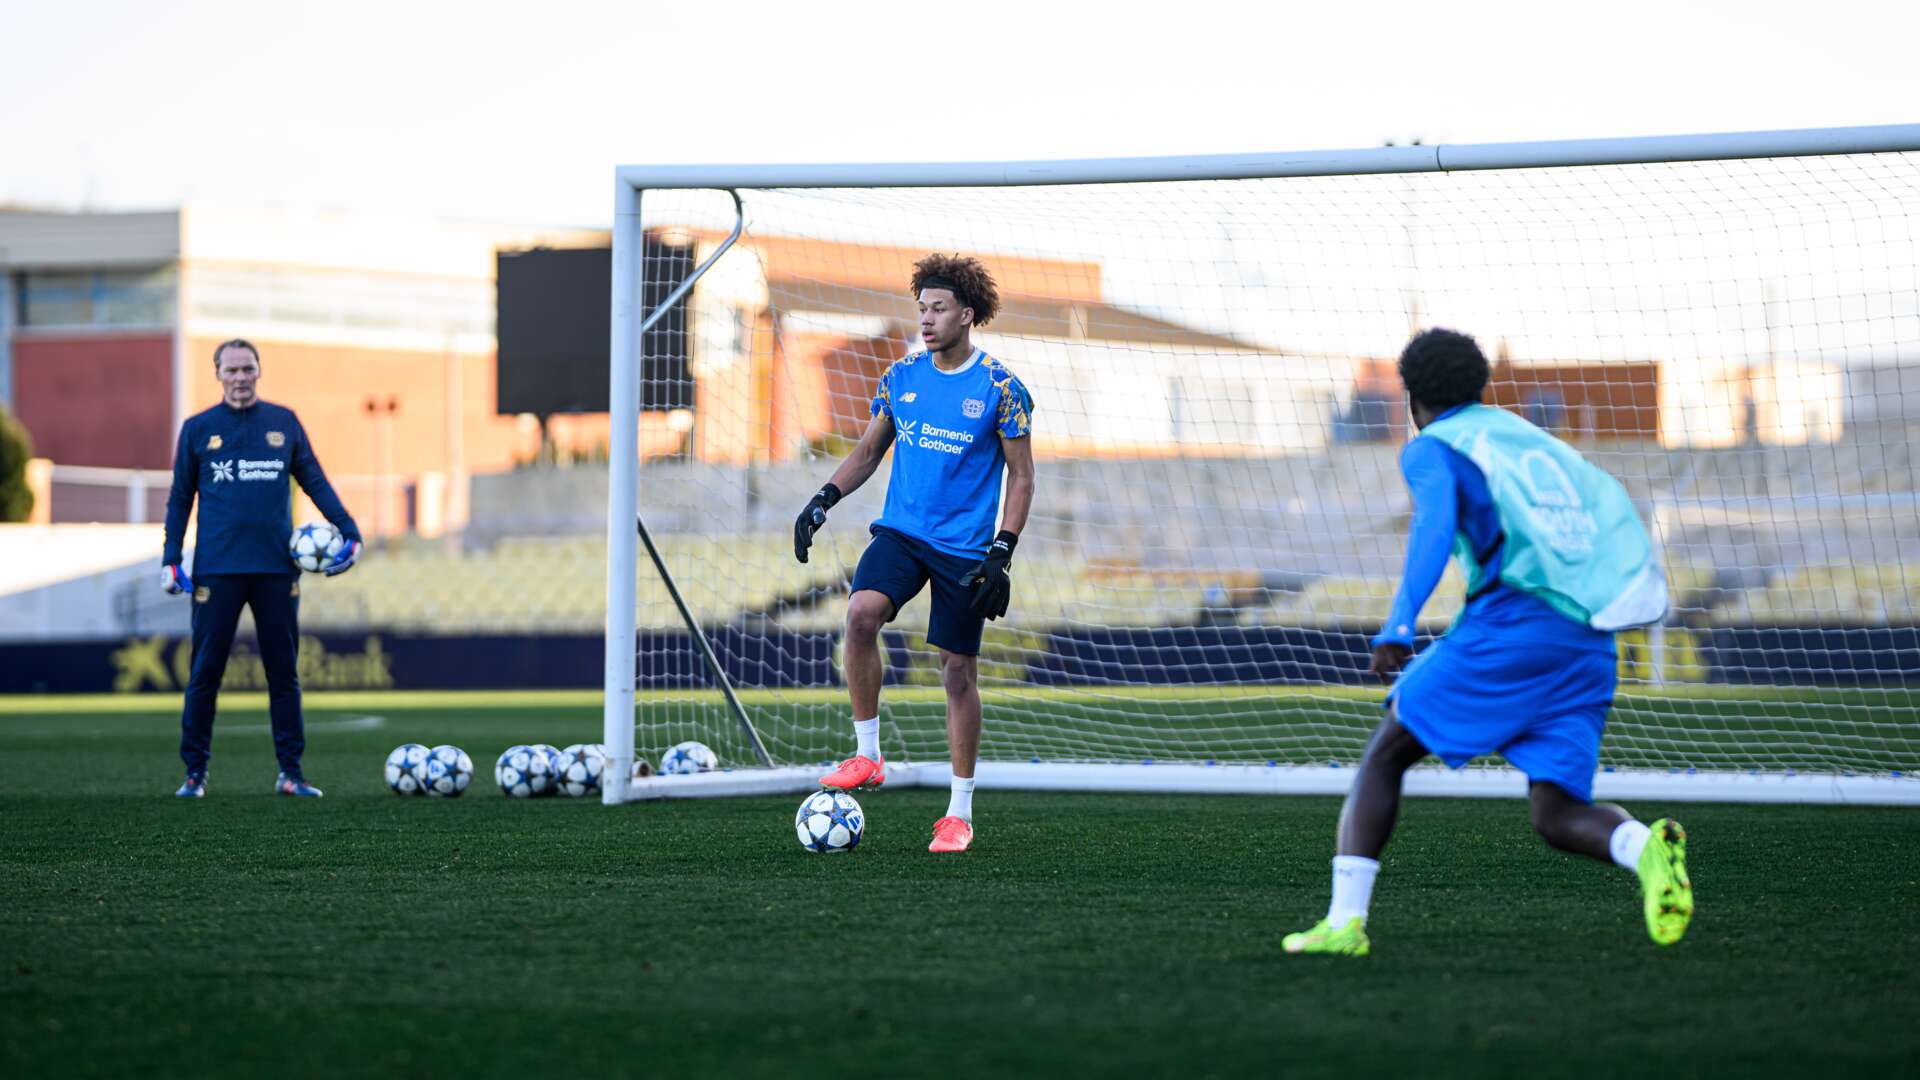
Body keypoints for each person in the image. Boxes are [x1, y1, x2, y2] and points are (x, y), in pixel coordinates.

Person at [1283, 327, 1691, 956]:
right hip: (1587, 639)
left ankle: (1343, 924)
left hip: (1513, 627)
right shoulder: (1531, 439)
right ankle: (1645, 849)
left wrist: (1398, 624)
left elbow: (1435, 526)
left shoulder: (1436, 445)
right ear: (1481, 386)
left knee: (1387, 752)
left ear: (1413, 396)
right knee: (1556, 814)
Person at [793, 253, 1035, 853]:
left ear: (967, 314)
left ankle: (958, 813)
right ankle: (867, 755)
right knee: (859, 614)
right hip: (901, 533)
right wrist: (822, 499)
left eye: (938, 308)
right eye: (921, 308)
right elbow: (869, 452)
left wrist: (1001, 553)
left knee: (957, 672)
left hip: (966, 550)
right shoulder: (900, 378)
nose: (926, 320)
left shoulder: (1002, 388)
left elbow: (1022, 479)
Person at [161, 339, 362, 798]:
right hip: (217, 571)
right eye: (230, 370)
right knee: (205, 673)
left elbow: (314, 479)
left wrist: (350, 530)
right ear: (217, 375)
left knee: (283, 673)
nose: (239, 377)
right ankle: (195, 773)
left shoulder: (283, 422)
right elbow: (179, 499)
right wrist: (171, 558)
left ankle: (291, 773)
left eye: (247, 368)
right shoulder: (198, 429)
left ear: (258, 371)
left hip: (275, 569)